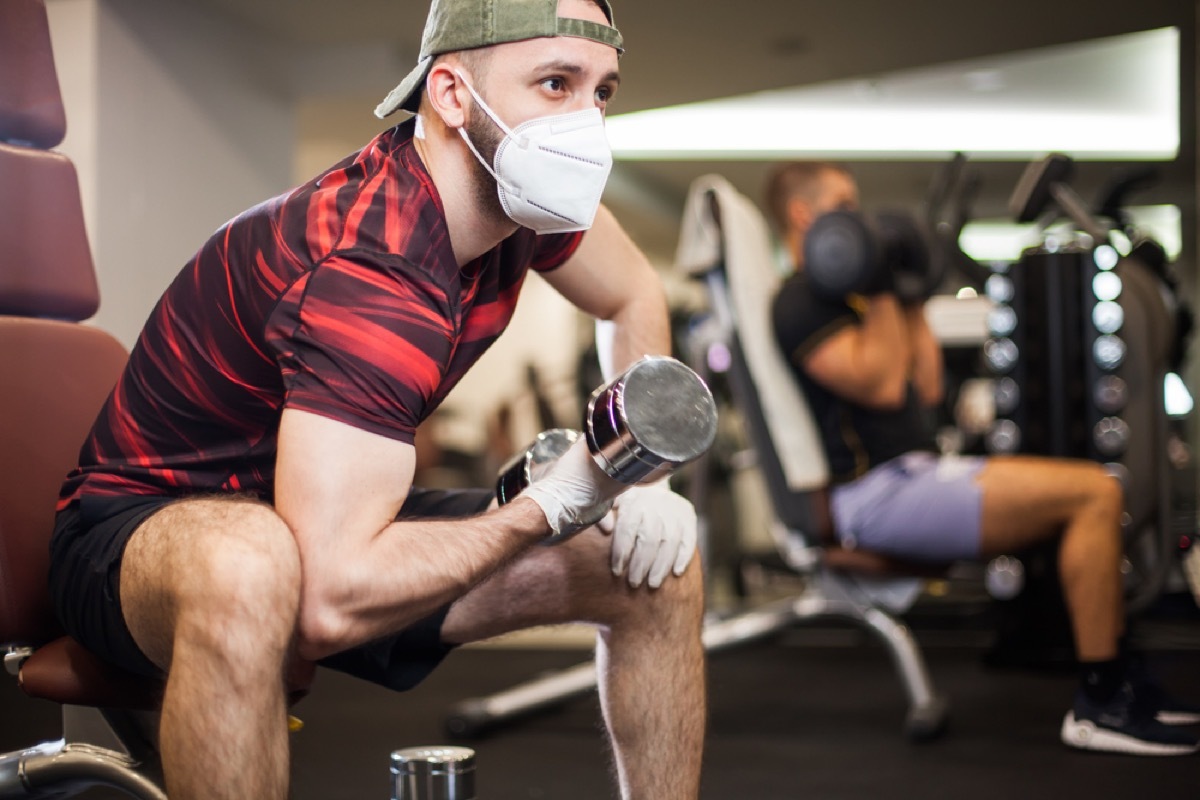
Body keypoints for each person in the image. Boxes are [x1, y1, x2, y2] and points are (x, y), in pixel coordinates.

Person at [49, 2, 706, 798]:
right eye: (555, 83)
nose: (585, 122)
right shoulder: (372, 263)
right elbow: (326, 598)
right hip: (139, 532)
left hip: (326, 512)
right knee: (253, 562)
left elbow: (633, 291)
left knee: (657, 569)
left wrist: (645, 485)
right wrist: (551, 503)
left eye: (601, 92)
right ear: (454, 95)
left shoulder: (525, 202)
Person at [766, 160, 1199, 756]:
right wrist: (886, 287)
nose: (858, 219)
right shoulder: (798, 301)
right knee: (1094, 494)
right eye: (844, 205)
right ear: (803, 215)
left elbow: (927, 386)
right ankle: (1103, 701)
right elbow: (885, 387)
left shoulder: (854, 299)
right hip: (869, 496)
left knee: (1095, 488)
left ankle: (1116, 678)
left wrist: (908, 293)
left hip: (915, 471)